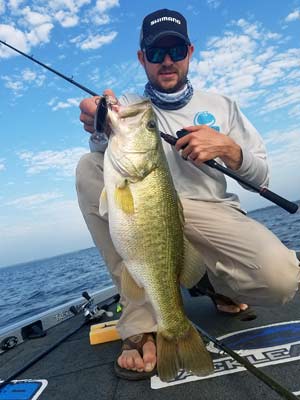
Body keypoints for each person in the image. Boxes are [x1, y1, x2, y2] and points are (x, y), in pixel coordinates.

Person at [76, 9, 300, 380]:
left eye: (175, 50)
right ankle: (142, 324)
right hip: (151, 212)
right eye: (155, 51)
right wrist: (97, 120)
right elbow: (101, 139)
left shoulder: (222, 106)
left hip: (210, 213)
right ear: (141, 57)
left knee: (283, 278)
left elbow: (260, 173)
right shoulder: (131, 107)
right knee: (87, 167)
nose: (166, 61)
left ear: (190, 52)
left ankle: (212, 285)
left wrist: (230, 149)